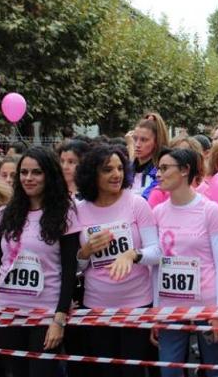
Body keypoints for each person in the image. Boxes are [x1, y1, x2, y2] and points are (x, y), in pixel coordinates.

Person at [0, 146, 80, 377]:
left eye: (36, 172)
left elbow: (70, 269)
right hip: (7, 310)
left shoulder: (65, 214)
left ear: (49, 175)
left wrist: (59, 319)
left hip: (45, 313)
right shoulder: (3, 215)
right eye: (24, 172)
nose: (28, 178)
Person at [74, 144, 161, 377]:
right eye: (107, 170)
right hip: (96, 305)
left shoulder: (136, 203)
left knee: (132, 372)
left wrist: (132, 254)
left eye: (120, 168)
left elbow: (156, 251)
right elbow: (74, 266)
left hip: (137, 304)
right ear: (92, 174)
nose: (116, 174)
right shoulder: (78, 210)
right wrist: (85, 252)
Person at [152, 148, 218, 377]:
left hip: (207, 304)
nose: (159, 174)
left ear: (185, 170)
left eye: (165, 168)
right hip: (170, 306)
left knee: (214, 369)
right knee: (169, 371)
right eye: (159, 168)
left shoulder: (209, 210)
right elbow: (156, 265)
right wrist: (155, 311)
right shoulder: (157, 212)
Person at [130, 112, 169, 199]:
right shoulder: (126, 169)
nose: (137, 144)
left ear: (156, 142)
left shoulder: (160, 173)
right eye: (135, 139)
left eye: (144, 140)